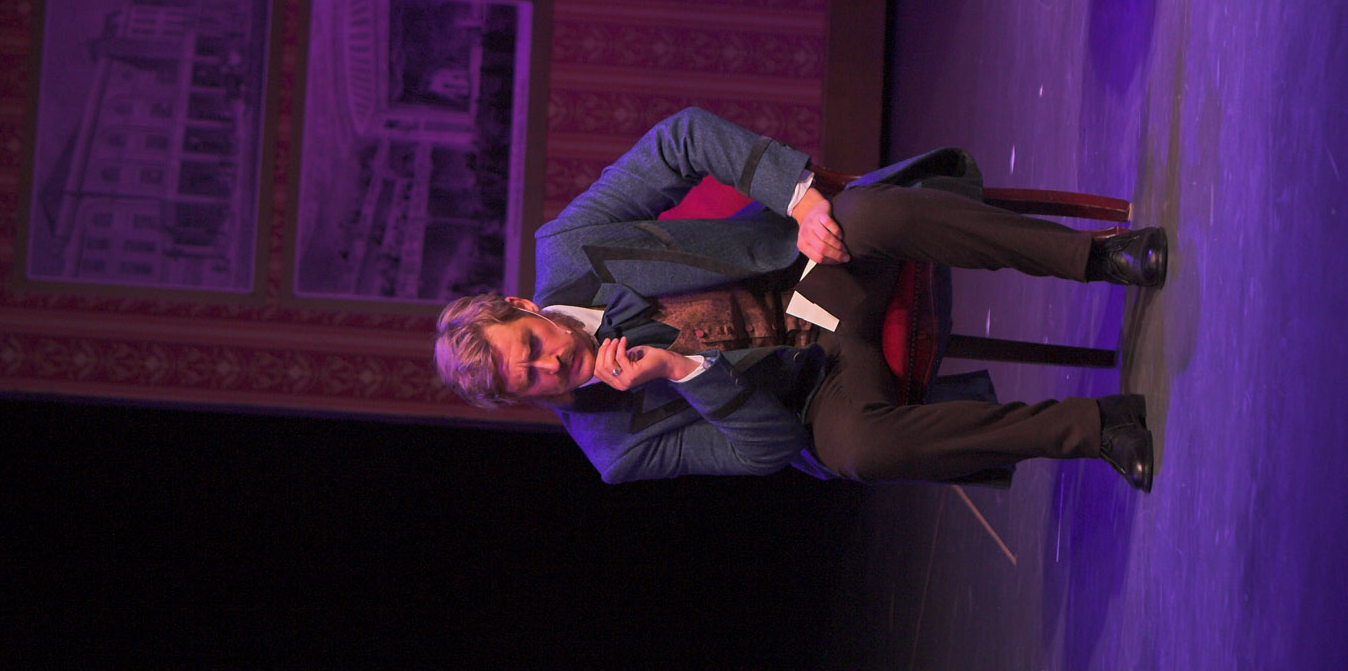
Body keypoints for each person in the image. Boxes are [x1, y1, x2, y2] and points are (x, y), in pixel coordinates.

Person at [433, 107, 1163, 489]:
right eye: (529, 382)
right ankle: (1099, 428)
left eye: (531, 348)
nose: (549, 367)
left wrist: (801, 201)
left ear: (521, 307)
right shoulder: (614, 449)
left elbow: (681, 139)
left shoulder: (568, 247)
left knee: (866, 215)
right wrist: (683, 374)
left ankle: (1099, 257)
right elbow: (768, 452)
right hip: (815, 391)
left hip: (813, 276)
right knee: (861, 452)